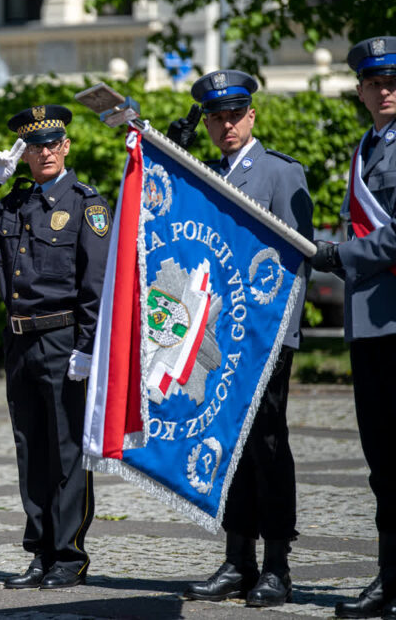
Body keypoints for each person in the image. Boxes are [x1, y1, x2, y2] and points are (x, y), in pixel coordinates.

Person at [171, 71, 313, 608]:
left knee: (269, 445)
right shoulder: (204, 173)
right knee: (230, 443)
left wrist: (282, 332)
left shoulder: (280, 172)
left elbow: (298, 253)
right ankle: (238, 559)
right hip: (219, 336)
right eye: (215, 117)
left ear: (252, 115)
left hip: (265, 335)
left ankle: (277, 564)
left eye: (235, 114)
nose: (225, 125)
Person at [0, 105, 109, 590]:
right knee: (30, 449)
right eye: (32, 146)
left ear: (65, 147)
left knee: (65, 451)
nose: (42, 152)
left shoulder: (87, 204)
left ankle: (68, 555)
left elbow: (96, 285)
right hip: (19, 339)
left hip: (63, 340)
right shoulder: (16, 203)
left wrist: (86, 347)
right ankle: (39, 551)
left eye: (50, 143)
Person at [311, 36, 396, 620]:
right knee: (383, 464)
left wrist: (344, 257)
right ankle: (390, 579)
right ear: (360, 90)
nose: (385, 90)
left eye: (393, 80)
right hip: (370, 324)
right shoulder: (365, 147)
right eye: (375, 82)